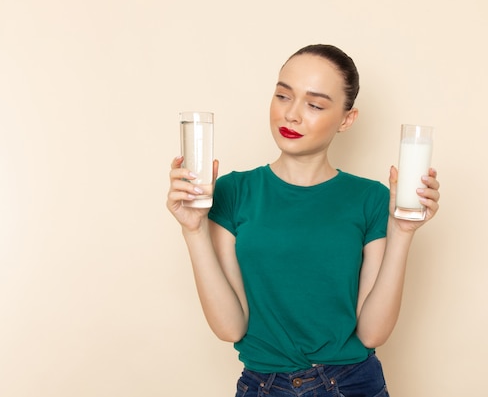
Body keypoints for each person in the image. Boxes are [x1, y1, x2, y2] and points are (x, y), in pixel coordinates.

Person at [166, 44, 440, 397]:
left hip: (353, 384)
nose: (292, 115)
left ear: (346, 119)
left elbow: (372, 334)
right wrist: (193, 229)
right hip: (263, 386)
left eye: (314, 104)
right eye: (283, 96)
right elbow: (230, 328)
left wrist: (402, 232)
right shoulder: (233, 191)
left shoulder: (370, 198)